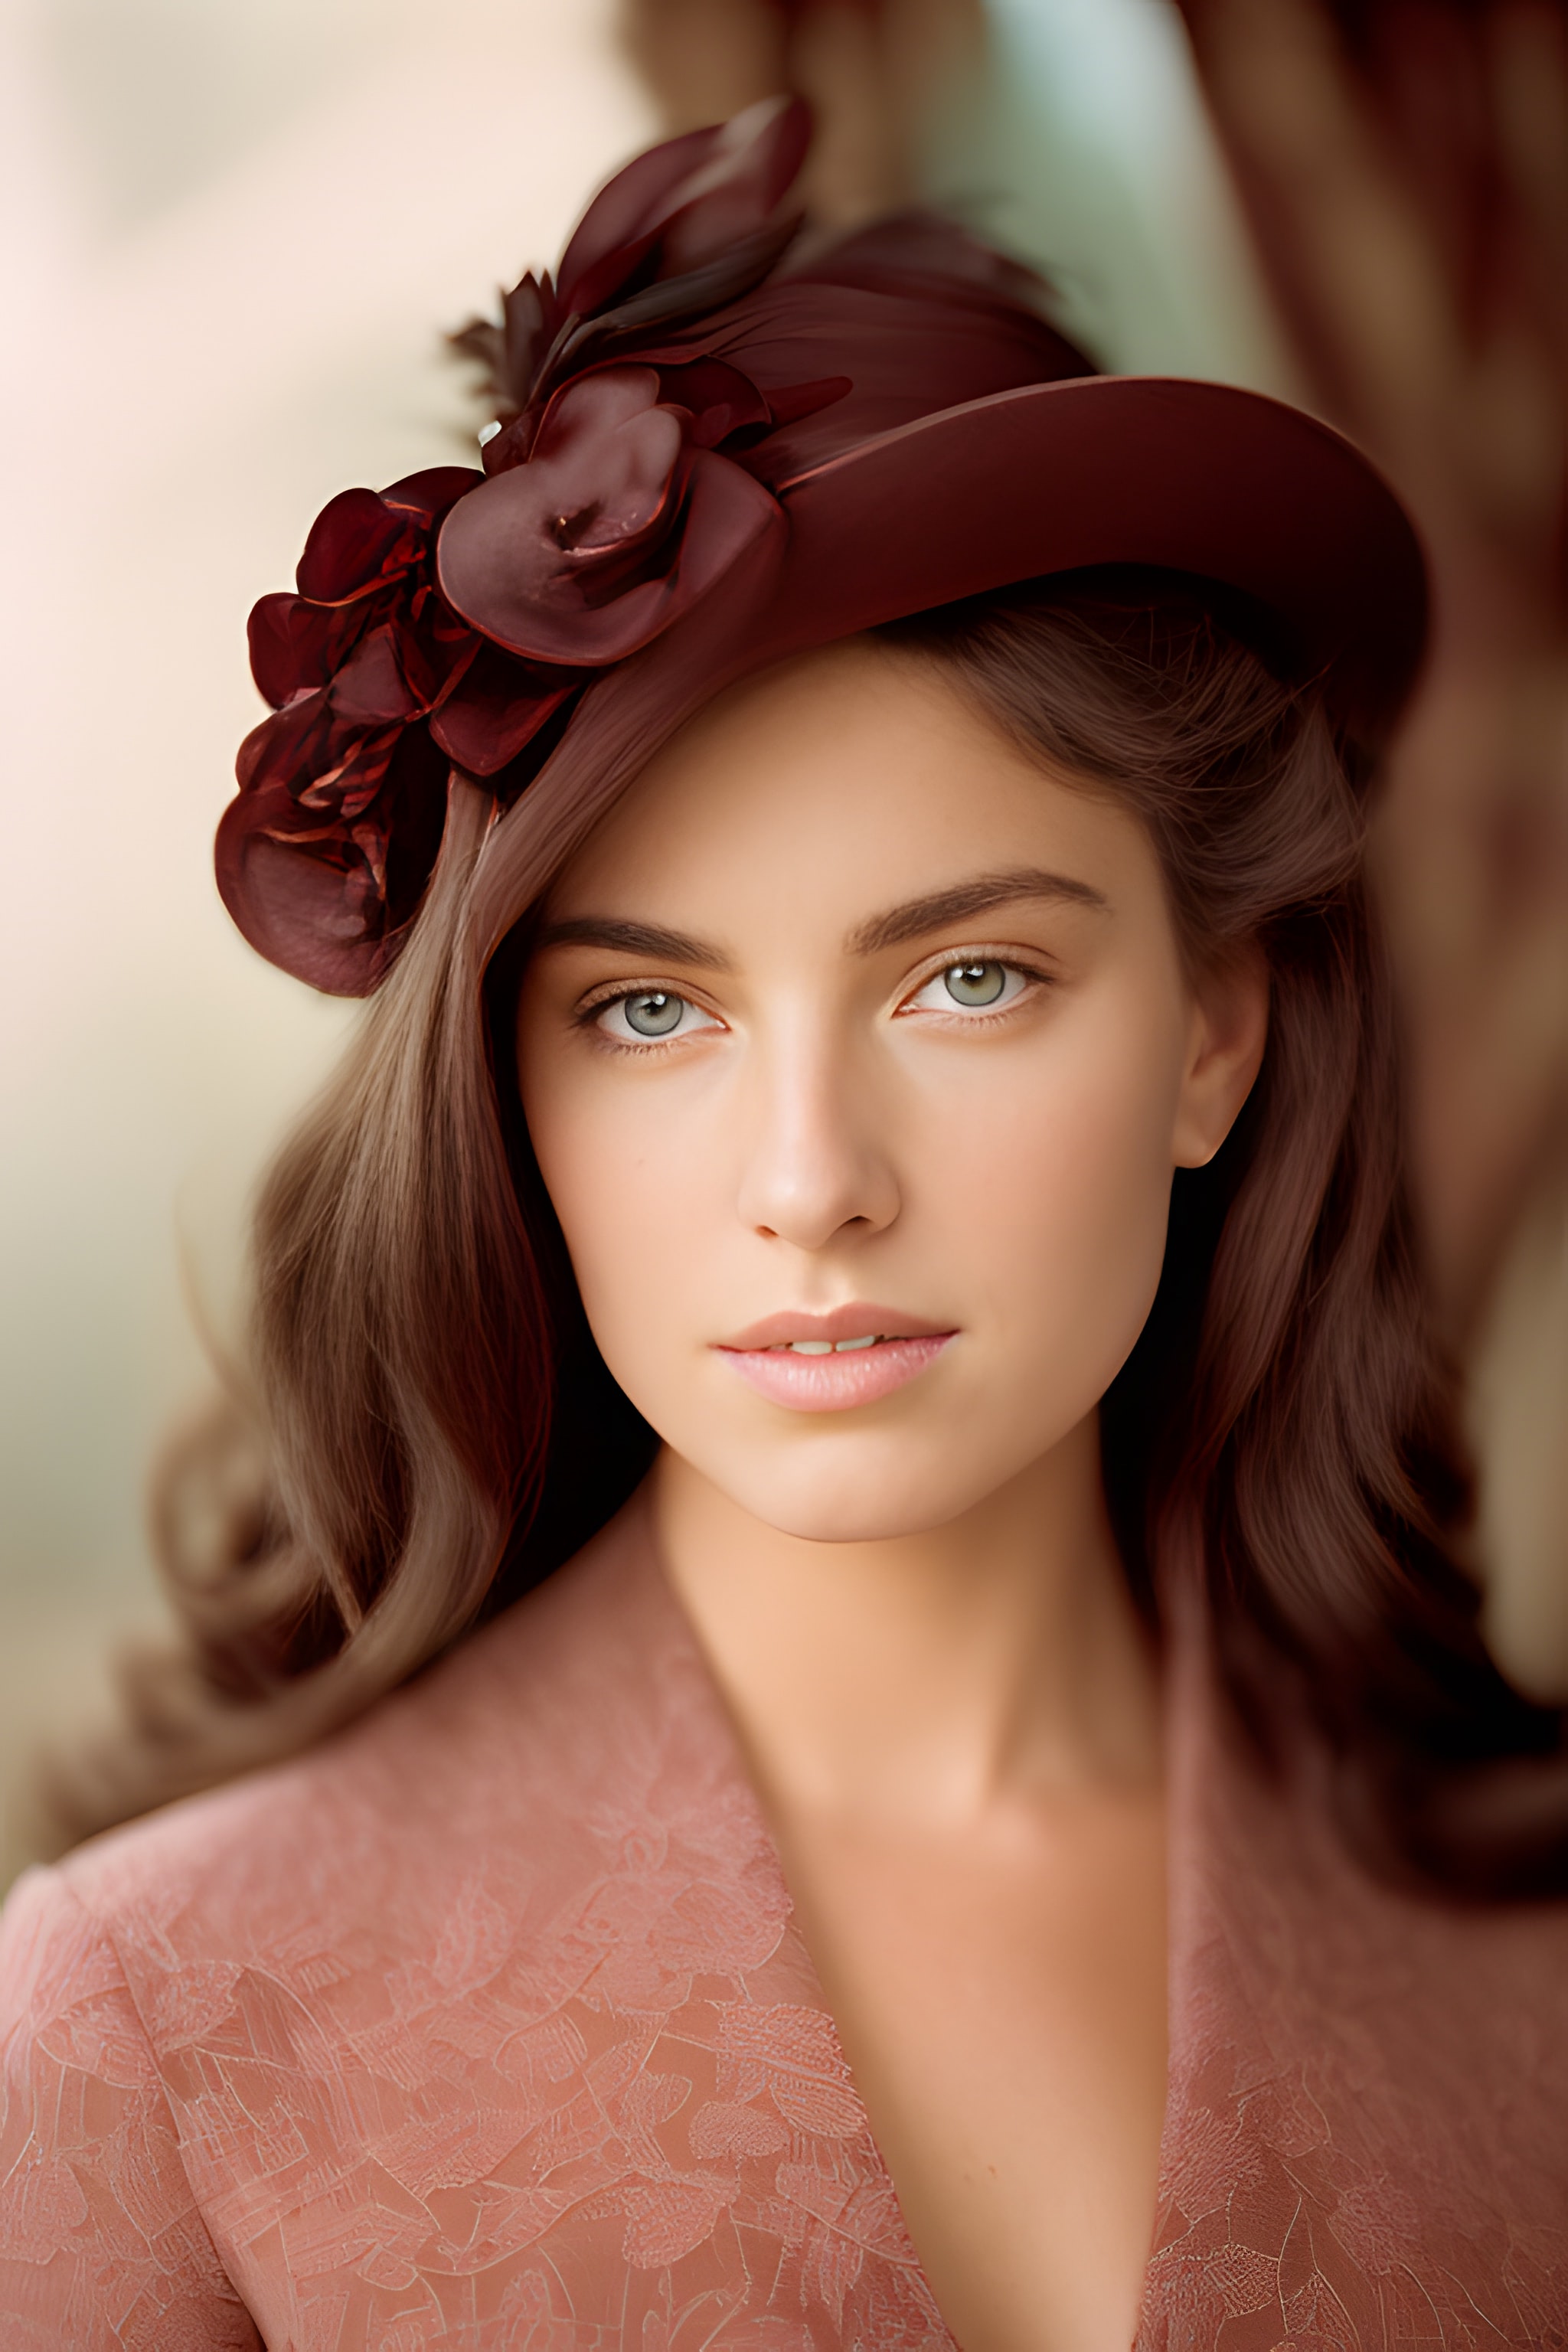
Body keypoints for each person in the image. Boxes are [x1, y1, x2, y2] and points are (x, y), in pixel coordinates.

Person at [1, 99, 1564, 2352]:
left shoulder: (1525, 1965)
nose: (811, 1174)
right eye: (652, 1008)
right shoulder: (159, 2036)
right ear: (502, 1094)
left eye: (969, 980)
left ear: (1215, 1031)